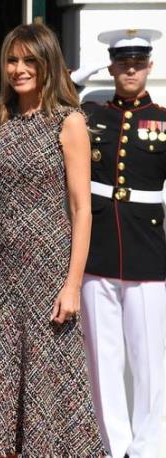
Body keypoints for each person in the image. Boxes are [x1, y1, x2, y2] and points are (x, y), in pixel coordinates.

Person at [0, 23, 105, 456]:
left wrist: (73, 285)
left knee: (48, 387)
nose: (19, 69)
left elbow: (81, 210)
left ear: (47, 64)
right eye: (12, 60)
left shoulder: (68, 122)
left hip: (49, 276)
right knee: (4, 385)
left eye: (29, 61)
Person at [80, 28, 166, 458]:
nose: (130, 71)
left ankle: (150, 449)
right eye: (122, 64)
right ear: (111, 67)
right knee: (102, 359)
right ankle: (112, 446)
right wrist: (80, 76)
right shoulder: (89, 114)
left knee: (151, 361)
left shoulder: (164, 121)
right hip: (97, 249)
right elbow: (53, 106)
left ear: (149, 66)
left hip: (148, 250)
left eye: (137, 64)